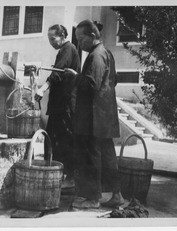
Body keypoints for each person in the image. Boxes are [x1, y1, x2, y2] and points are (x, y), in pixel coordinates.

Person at [65, 20, 124, 209]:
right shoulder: (107, 53)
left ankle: (92, 199)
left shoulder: (95, 56)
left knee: (91, 156)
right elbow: (113, 81)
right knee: (108, 157)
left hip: (93, 117)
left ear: (92, 36)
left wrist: (75, 76)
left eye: (81, 39)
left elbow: (90, 85)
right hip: (105, 115)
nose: (79, 43)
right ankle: (117, 195)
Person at [34, 24, 81, 187]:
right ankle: (57, 174)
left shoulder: (68, 48)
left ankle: (69, 177)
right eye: (49, 39)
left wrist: (43, 88)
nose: (51, 42)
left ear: (62, 36)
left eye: (53, 39)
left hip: (65, 105)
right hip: (59, 105)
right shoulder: (64, 50)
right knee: (53, 139)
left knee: (64, 139)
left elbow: (58, 73)